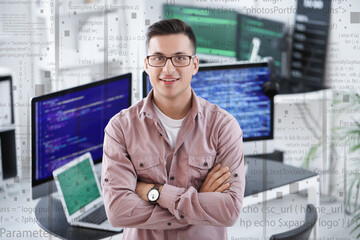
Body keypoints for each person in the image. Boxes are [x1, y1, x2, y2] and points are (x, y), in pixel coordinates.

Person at [101, 19, 245, 240]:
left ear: (194, 65)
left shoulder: (223, 127)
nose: (168, 69)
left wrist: (155, 192)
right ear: (147, 65)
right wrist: (198, 201)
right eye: (158, 58)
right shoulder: (120, 128)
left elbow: (229, 210)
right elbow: (118, 211)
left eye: (180, 58)